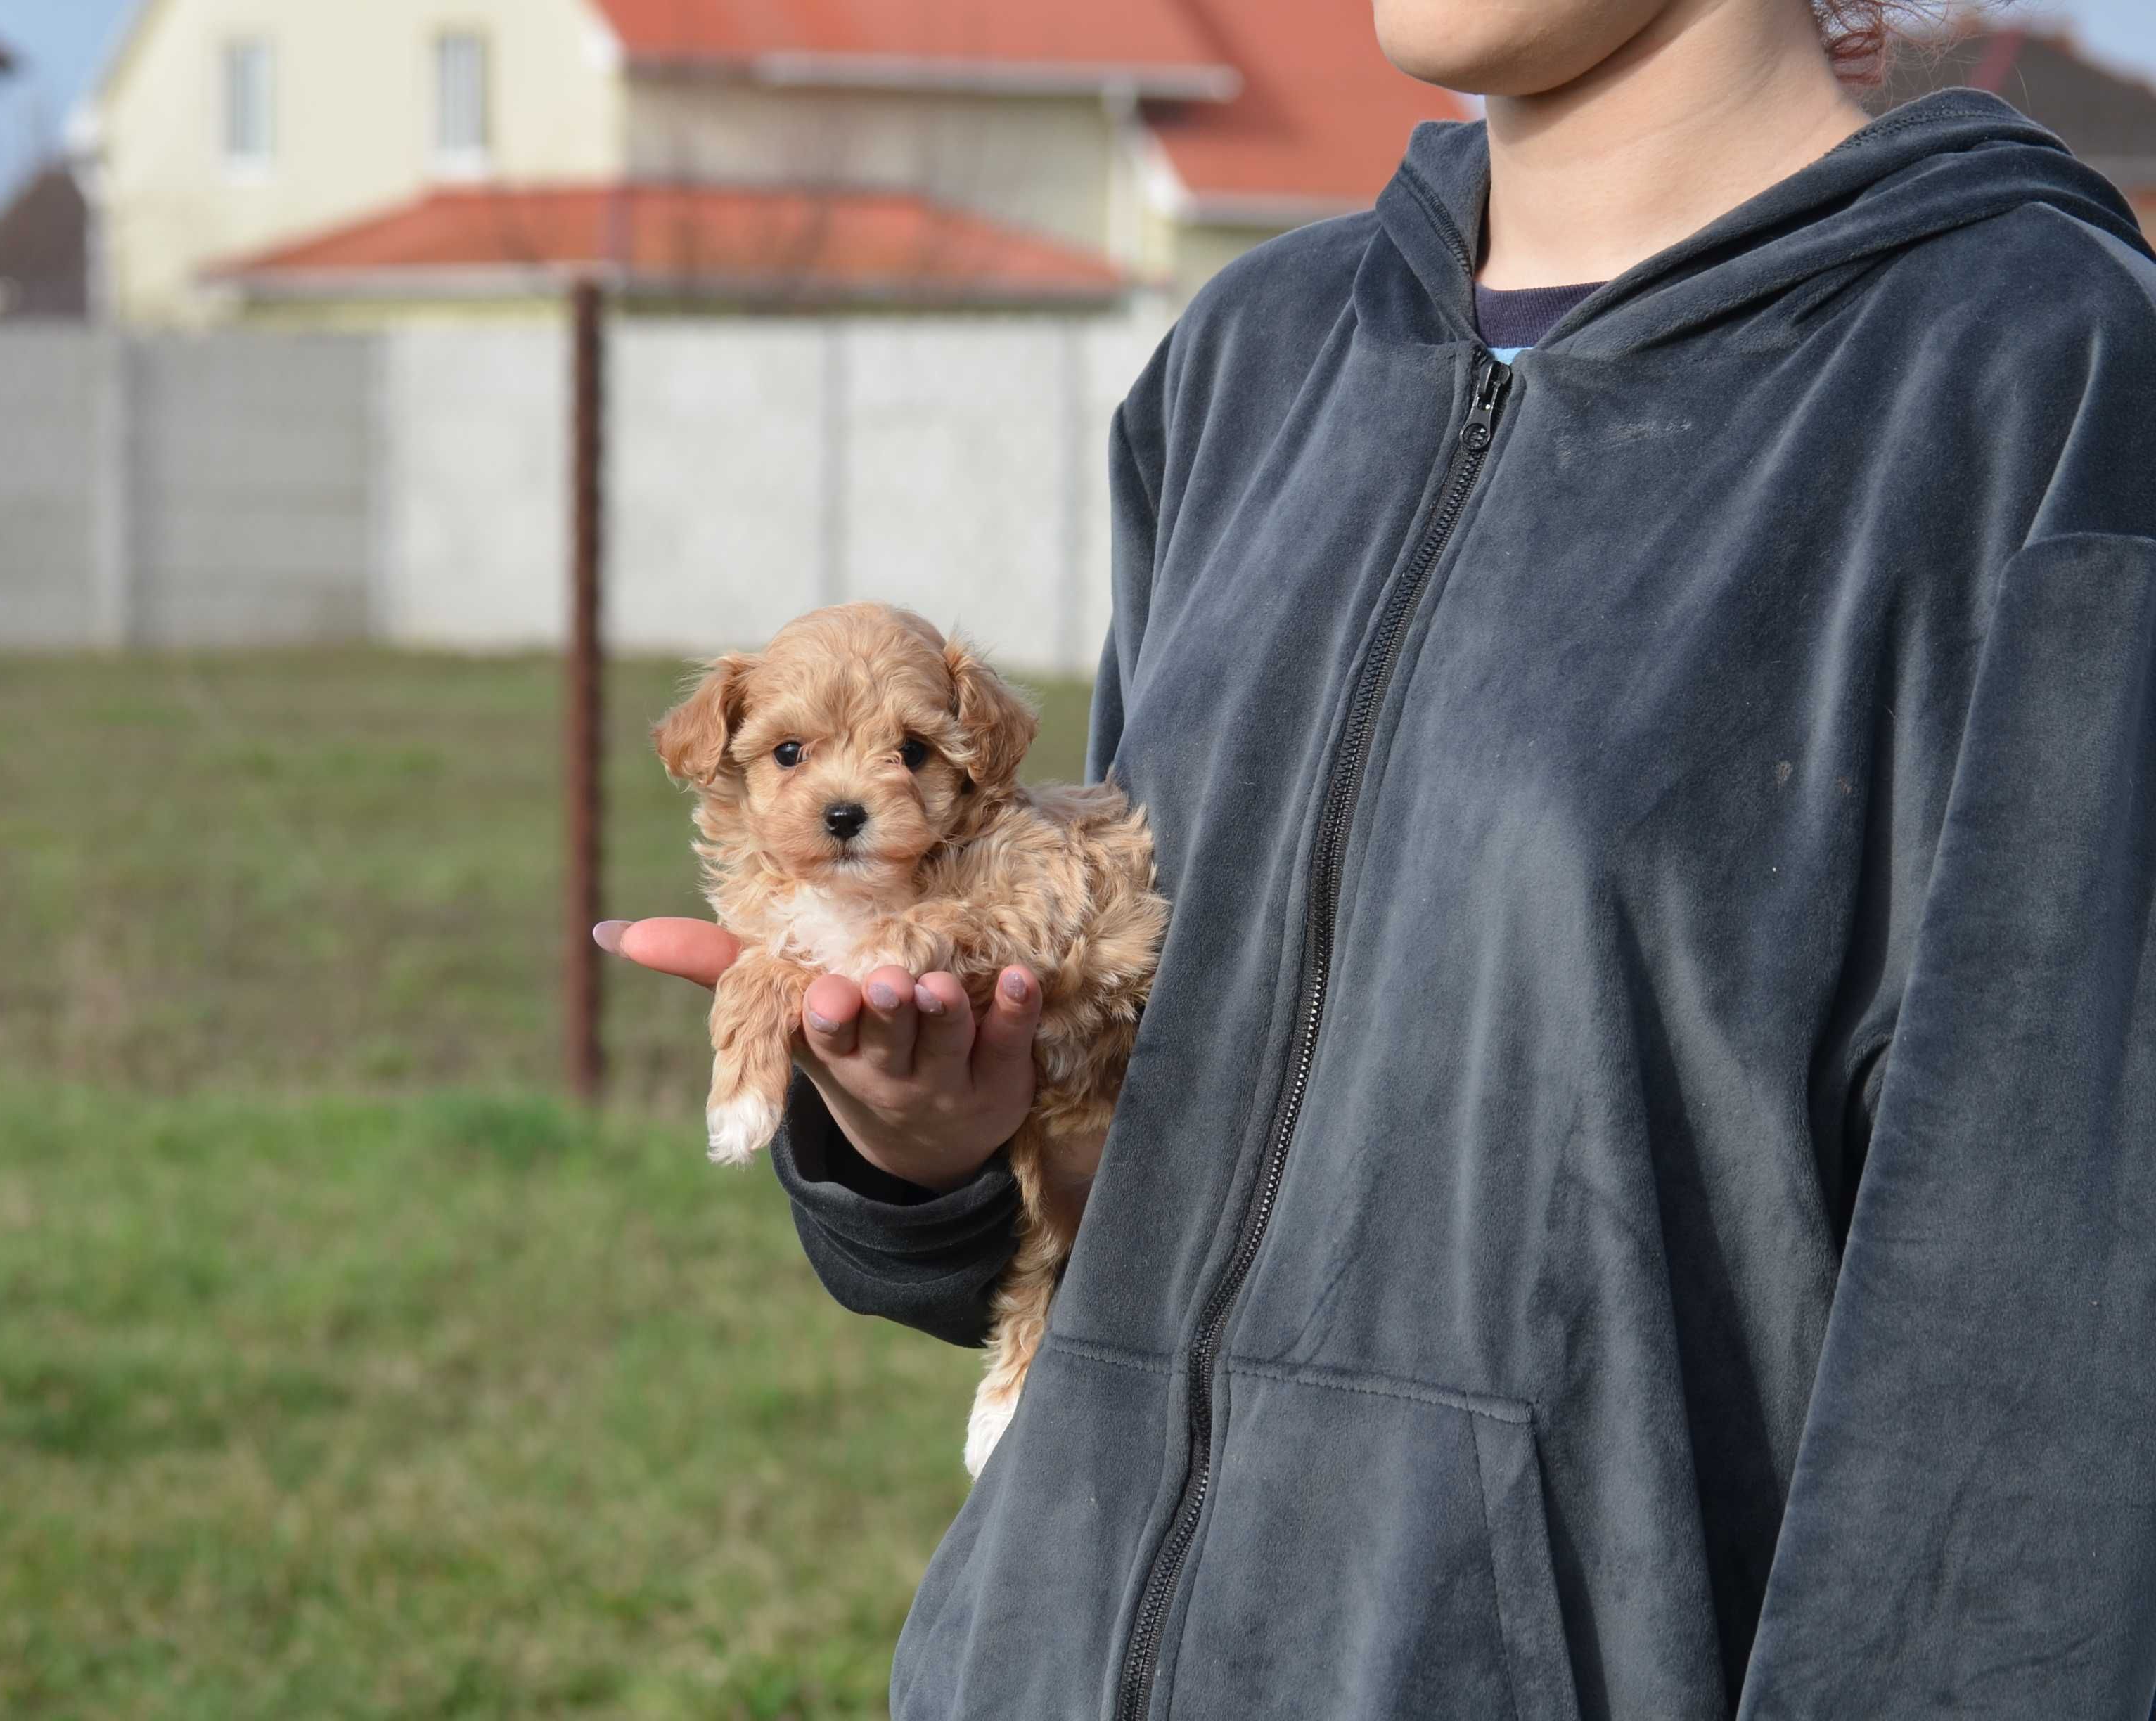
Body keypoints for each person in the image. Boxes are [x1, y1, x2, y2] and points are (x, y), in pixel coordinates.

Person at [600, 0, 2156, 1710]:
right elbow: (1183, 1139)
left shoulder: (2045, 383)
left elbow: (2044, 1395)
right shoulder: (1253, 359)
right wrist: (929, 1151)